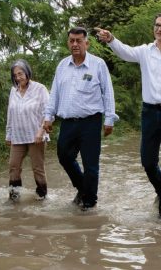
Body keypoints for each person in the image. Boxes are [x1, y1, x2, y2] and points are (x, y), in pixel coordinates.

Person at [95, 11, 161, 219]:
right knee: (147, 161)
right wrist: (111, 39)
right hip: (149, 111)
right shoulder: (144, 51)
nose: (159, 28)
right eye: (157, 25)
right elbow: (125, 52)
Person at [43, 27, 118, 211]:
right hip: (68, 122)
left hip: (90, 122)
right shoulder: (62, 65)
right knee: (64, 156)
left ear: (87, 43)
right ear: (68, 43)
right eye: (71, 41)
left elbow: (108, 92)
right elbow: (55, 93)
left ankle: (89, 204)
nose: (75, 44)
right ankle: (84, 189)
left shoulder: (98, 64)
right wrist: (48, 116)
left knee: (90, 164)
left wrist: (109, 119)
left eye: (78, 40)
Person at [5, 59, 50, 201]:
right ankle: (14, 198)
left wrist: (41, 132)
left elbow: (48, 112)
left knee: (37, 168)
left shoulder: (40, 89)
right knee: (13, 167)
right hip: (17, 136)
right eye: (15, 75)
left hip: (36, 136)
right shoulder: (14, 91)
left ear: (27, 72)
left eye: (20, 73)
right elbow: (10, 113)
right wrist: (8, 134)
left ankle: (42, 196)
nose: (18, 77)